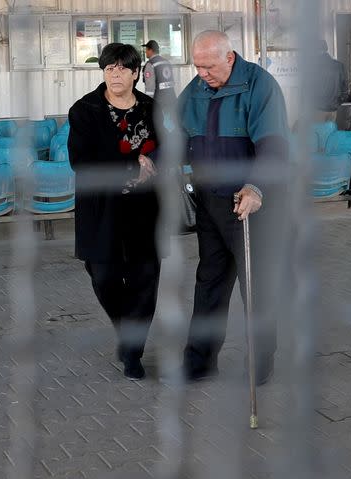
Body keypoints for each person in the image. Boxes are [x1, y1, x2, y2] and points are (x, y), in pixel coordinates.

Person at [178, 30, 289, 384]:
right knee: (209, 282)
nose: (202, 74)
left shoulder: (260, 86)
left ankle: (259, 367)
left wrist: (256, 188)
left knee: (255, 287)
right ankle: (198, 364)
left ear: (230, 58)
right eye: (197, 66)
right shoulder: (195, 89)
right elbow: (177, 138)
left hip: (249, 202)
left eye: (208, 66)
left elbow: (273, 147)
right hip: (210, 201)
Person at [68, 43, 161, 381]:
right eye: (109, 69)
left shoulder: (152, 108)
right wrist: (130, 163)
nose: (115, 74)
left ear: (136, 72)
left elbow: (168, 146)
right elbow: (81, 161)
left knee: (145, 282)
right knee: (104, 278)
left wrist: (154, 162)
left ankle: (133, 353)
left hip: (145, 210)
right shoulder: (85, 110)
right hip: (102, 211)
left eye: (122, 68)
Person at [313, 39, 348, 121]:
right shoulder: (339, 66)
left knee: (319, 133)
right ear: (326, 49)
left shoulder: (313, 67)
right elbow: (345, 88)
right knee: (331, 133)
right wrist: (338, 102)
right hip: (333, 108)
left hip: (318, 108)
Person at [141, 40, 176, 110]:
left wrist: (148, 105)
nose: (146, 52)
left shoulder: (150, 64)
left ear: (151, 50)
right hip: (172, 99)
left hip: (159, 103)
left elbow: (150, 88)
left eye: (147, 50)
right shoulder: (166, 62)